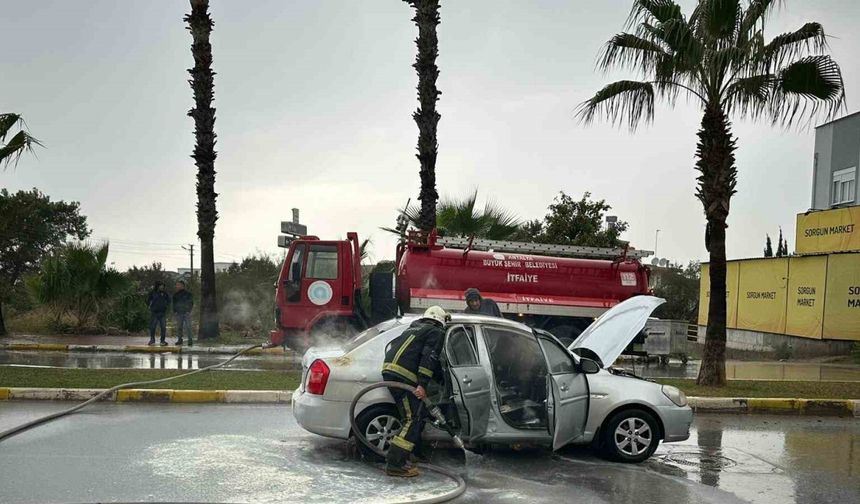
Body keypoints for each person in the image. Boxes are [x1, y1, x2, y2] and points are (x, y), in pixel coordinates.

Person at [382, 306, 450, 478]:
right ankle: (395, 464)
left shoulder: (414, 327)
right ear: (440, 320)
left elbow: (420, 356)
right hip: (404, 377)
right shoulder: (436, 331)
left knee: (414, 416)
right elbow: (429, 357)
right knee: (412, 419)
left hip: (392, 371)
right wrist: (422, 384)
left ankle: (409, 456)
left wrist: (440, 378)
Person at [146, 281, 170, 346]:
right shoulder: (152, 293)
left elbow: (169, 301)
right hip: (154, 313)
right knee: (153, 327)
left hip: (162, 313)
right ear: (157, 286)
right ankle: (152, 340)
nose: (162, 287)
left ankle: (162, 341)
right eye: (161, 285)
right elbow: (147, 301)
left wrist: (166, 306)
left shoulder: (165, 293)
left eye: (163, 286)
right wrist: (150, 306)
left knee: (163, 327)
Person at [172, 280, 194, 346]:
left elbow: (191, 303)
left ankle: (190, 340)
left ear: (183, 285)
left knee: (188, 327)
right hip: (179, 313)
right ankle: (179, 340)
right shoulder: (175, 295)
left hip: (186, 313)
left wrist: (188, 311)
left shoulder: (188, 294)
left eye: (178, 285)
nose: (177, 286)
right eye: (176, 285)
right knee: (179, 327)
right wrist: (175, 311)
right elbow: (174, 304)